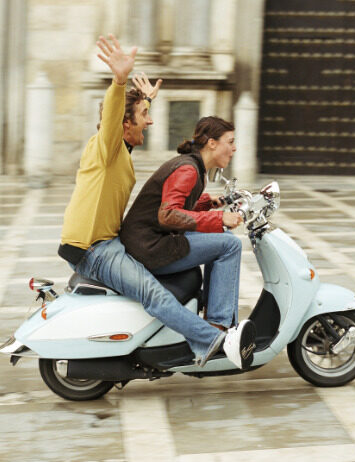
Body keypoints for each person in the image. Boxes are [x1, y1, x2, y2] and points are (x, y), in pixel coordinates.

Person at [58, 34, 255, 369]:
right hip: (92, 248)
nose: (149, 121)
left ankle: (211, 330)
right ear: (123, 122)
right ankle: (214, 341)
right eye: (144, 115)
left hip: (108, 243)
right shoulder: (106, 146)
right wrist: (119, 81)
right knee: (153, 294)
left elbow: (123, 127)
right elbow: (112, 121)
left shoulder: (119, 153)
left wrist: (145, 99)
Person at [120, 116, 256, 369]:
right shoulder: (188, 169)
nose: (235, 147)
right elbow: (168, 214)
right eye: (231, 141)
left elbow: (178, 204)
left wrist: (209, 203)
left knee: (224, 239)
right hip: (149, 247)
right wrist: (218, 218)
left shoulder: (194, 168)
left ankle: (217, 322)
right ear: (212, 143)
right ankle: (216, 331)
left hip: (152, 241)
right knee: (230, 245)